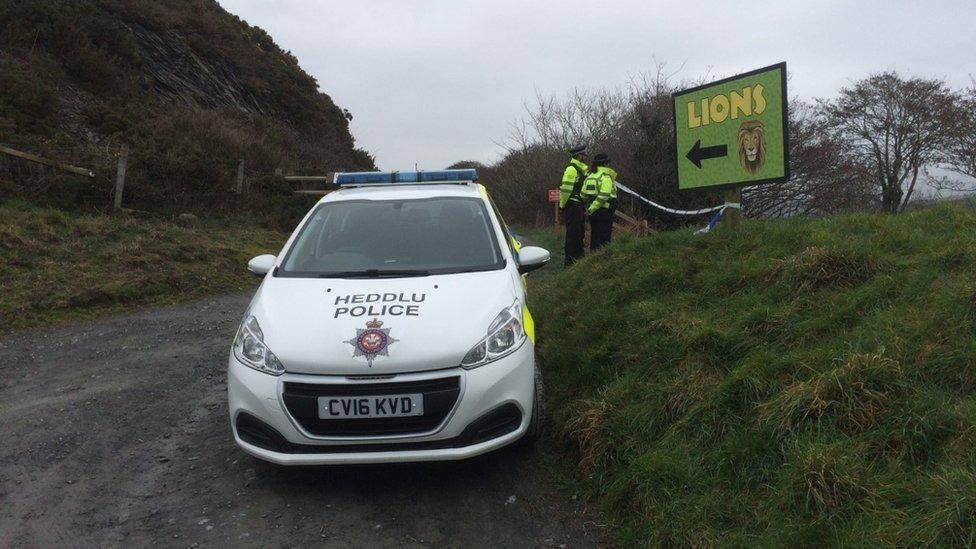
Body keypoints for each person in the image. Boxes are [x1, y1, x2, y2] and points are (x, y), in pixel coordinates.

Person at [557, 144, 589, 266]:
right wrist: (562, 205)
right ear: (579, 156)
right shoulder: (572, 169)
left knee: (579, 233)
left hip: (579, 206)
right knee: (572, 235)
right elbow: (565, 190)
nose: (586, 156)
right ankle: (570, 262)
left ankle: (579, 260)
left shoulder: (581, 169)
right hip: (572, 206)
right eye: (584, 154)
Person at [581, 153, 618, 251]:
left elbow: (583, 195)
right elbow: (604, 195)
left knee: (595, 236)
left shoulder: (590, 177)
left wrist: (590, 208)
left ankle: (592, 259)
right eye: (607, 163)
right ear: (605, 164)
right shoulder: (605, 177)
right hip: (604, 211)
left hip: (593, 212)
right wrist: (594, 207)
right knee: (604, 238)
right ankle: (602, 261)